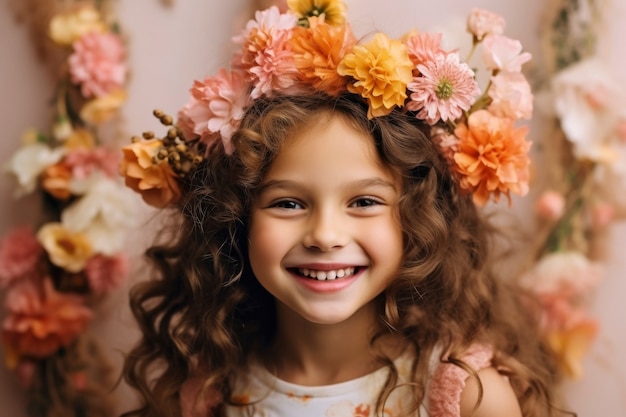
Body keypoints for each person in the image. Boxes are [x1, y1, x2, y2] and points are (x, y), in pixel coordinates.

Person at [120, 2, 564, 417]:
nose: (326, 235)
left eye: (364, 202)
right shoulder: (209, 393)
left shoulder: (466, 396)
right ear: (236, 218)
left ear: (419, 216)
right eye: (288, 203)